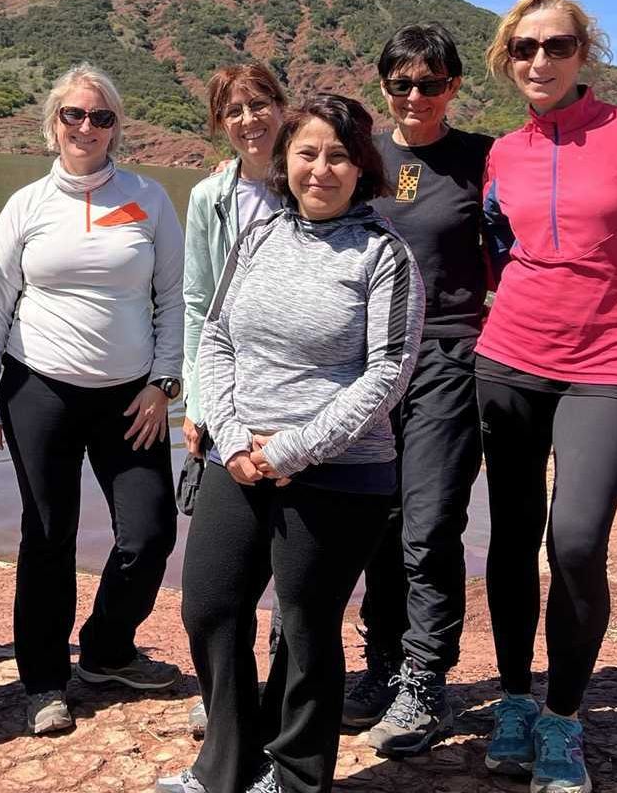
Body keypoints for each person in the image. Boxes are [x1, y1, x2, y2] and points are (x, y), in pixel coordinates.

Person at [162, 94, 425, 793]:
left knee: (305, 630)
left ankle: (296, 775)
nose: (321, 168)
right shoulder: (257, 236)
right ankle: (226, 763)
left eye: (338, 155)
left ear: (361, 167)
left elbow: (387, 374)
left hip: (339, 471)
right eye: (307, 152)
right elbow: (215, 336)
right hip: (236, 457)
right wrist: (229, 429)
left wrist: (289, 450)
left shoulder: (384, 256)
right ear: (285, 160)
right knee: (211, 607)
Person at [476, 0, 617, 793]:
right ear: (508, 59)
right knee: (509, 536)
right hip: (508, 361)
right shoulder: (504, 152)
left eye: (557, 46)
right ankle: (511, 699)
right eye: (525, 48)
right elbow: (496, 255)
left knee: (573, 541)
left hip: (605, 367)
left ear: (582, 54)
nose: (540, 60)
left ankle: (563, 717)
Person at [0, 63, 184, 737]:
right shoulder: (26, 206)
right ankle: (42, 680)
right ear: (53, 123)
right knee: (48, 535)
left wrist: (164, 381)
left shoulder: (149, 198)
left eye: (101, 117)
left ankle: (106, 647)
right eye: (74, 115)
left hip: (131, 397)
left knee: (150, 533)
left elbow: (178, 298)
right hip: (39, 389)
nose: (86, 127)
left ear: (117, 125)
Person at [339, 24, 495, 757]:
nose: (415, 97)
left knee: (428, 522)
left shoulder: (480, 158)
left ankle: (426, 678)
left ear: (454, 88)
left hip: (449, 358)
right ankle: (381, 668)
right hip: (372, 361)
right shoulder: (368, 161)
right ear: (384, 88)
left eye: (431, 83)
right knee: (377, 515)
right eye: (402, 83)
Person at [180, 61, 289, 736]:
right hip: (228, 391)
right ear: (221, 122)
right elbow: (196, 300)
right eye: (234, 109)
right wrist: (197, 396)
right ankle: (226, 691)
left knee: (293, 555)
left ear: (282, 106)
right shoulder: (208, 198)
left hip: (298, 396)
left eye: (260, 103)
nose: (249, 119)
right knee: (227, 561)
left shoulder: (309, 179)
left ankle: (282, 689)